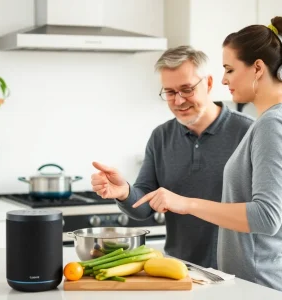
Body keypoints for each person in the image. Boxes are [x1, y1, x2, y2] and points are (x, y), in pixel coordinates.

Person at [133, 17, 282, 291]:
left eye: (229, 69)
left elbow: (267, 217)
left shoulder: (271, 124)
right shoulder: (267, 122)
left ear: (258, 68)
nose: (225, 80)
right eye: (169, 92)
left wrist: (186, 204)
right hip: (243, 281)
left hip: (259, 284)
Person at [91, 46, 254, 269]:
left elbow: (264, 212)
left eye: (186, 89)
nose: (178, 101)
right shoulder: (161, 137)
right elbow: (143, 207)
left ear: (208, 84)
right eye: (169, 92)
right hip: (180, 269)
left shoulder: (248, 132)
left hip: (237, 271)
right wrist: (124, 192)